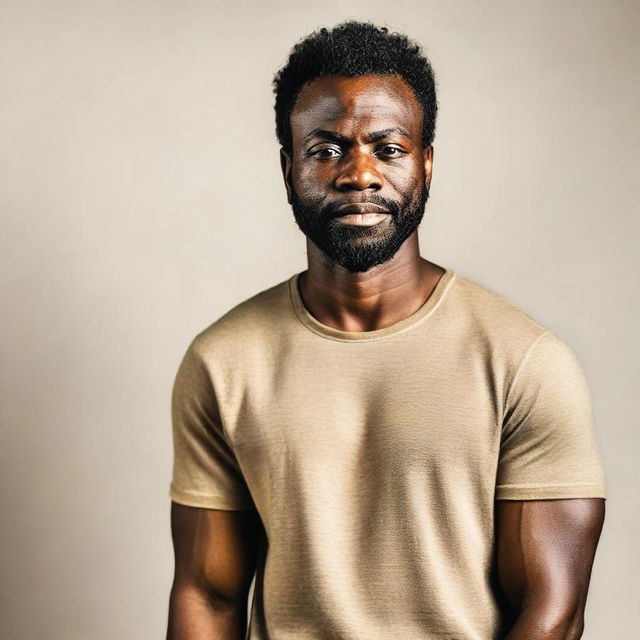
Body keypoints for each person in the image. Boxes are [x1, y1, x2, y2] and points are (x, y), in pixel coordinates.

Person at [166, 21, 606, 640]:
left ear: (426, 164)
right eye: (326, 149)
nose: (360, 174)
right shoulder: (222, 362)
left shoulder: (524, 361)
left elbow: (551, 612)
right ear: (288, 166)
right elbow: (207, 597)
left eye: (389, 148)